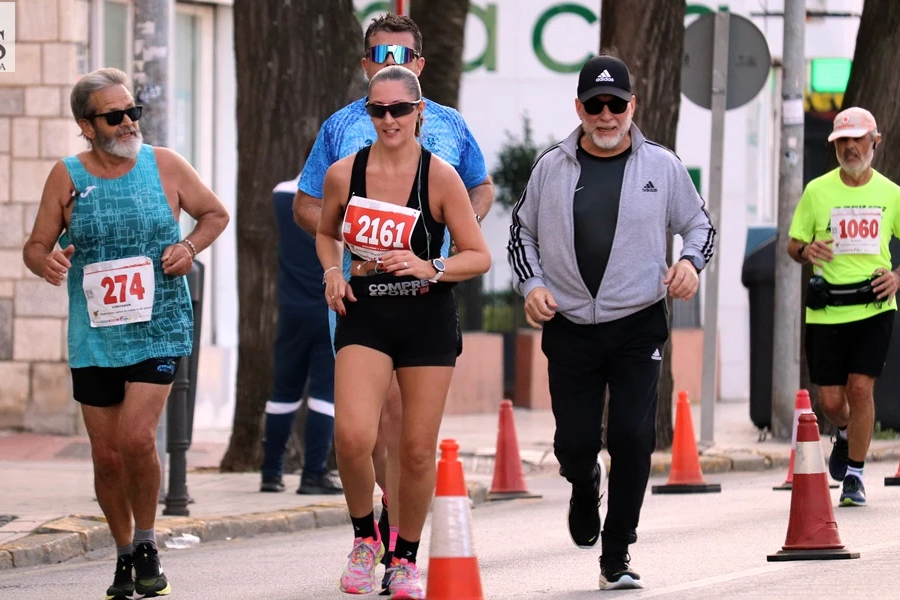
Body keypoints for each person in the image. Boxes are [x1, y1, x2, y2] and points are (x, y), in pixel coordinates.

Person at [292, 11, 494, 587]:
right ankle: (364, 537)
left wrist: (433, 263)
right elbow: (323, 226)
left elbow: (478, 255)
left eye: (400, 109)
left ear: (419, 111)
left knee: (414, 449)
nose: (389, 119)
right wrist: (334, 269)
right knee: (354, 435)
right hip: (366, 311)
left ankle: (404, 557)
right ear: (367, 104)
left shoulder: (442, 173)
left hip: (426, 316)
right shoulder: (341, 167)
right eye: (379, 109)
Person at [507, 55, 715, 590]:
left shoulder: (663, 166)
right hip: (570, 324)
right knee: (575, 444)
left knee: (633, 436)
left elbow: (699, 225)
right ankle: (583, 484)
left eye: (616, 104)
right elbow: (519, 234)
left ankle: (617, 552)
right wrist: (532, 286)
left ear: (632, 107)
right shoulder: (551, 167)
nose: (606, 116)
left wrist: (690, 263)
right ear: (579, 108)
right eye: (595, 105)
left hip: (636, 323)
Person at [22, 67, 229, 600]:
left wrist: (188, 248)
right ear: (86, 126)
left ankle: (147, 541)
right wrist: (44, 262)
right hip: (95, 335)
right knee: (107, 455)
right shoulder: (67, 176)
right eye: (114, 116)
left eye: (133, 111)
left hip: (159, 325)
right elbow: (35, 244)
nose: (128, 122)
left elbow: (214, 214)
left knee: (137, 439)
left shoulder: (165, 166)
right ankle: (121, 554)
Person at [787, 106, 900, 507]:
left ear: (874, 142)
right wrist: (805, 249)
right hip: (827, 309)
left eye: (857, 140)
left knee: (861, 388)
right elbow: (794, 244)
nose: (850, 148)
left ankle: (855, 475)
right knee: (832, 402)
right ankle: (846, 433)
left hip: (874, 307)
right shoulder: (817, 191)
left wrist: (898, 277)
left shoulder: (891, 194)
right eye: (842, 142)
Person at [260, 165, 342, 495]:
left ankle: (271, 473)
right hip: (328, 305)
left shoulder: (282, 195)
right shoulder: (340, 202)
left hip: (291, 309)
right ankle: (313, 474)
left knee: (283, 391)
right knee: (324, 391)